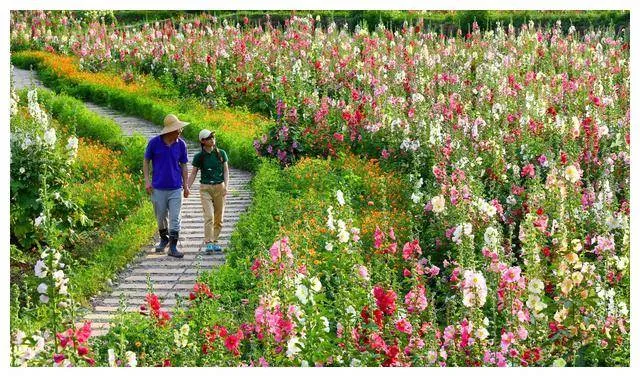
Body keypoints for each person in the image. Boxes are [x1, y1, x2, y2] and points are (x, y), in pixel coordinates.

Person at [143, 114, 190, 258]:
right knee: (161, 217)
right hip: (158, 187)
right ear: (170, 131)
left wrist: (186, 185)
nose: (180, 132)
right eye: (178, 130)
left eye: (180, 130)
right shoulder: (154, 143)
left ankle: (173, 247)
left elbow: (184, 165)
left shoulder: (181, 145)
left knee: (175, 218)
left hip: (176, 187)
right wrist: (147, 181)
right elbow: (146, 161)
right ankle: (164, 239)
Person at [186, 129, 229, 254]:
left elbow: (226, 171)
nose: (212, 139)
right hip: (205, 188)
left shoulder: (221, 154)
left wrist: (226, 186)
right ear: (203, 141)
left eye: (213, 137)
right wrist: (187, 187)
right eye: (209, 137)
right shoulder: (199, 157)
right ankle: (208, 242)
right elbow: (194, 173)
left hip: (219, 187)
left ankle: (215, 241)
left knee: (219, 218)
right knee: (209, 216)